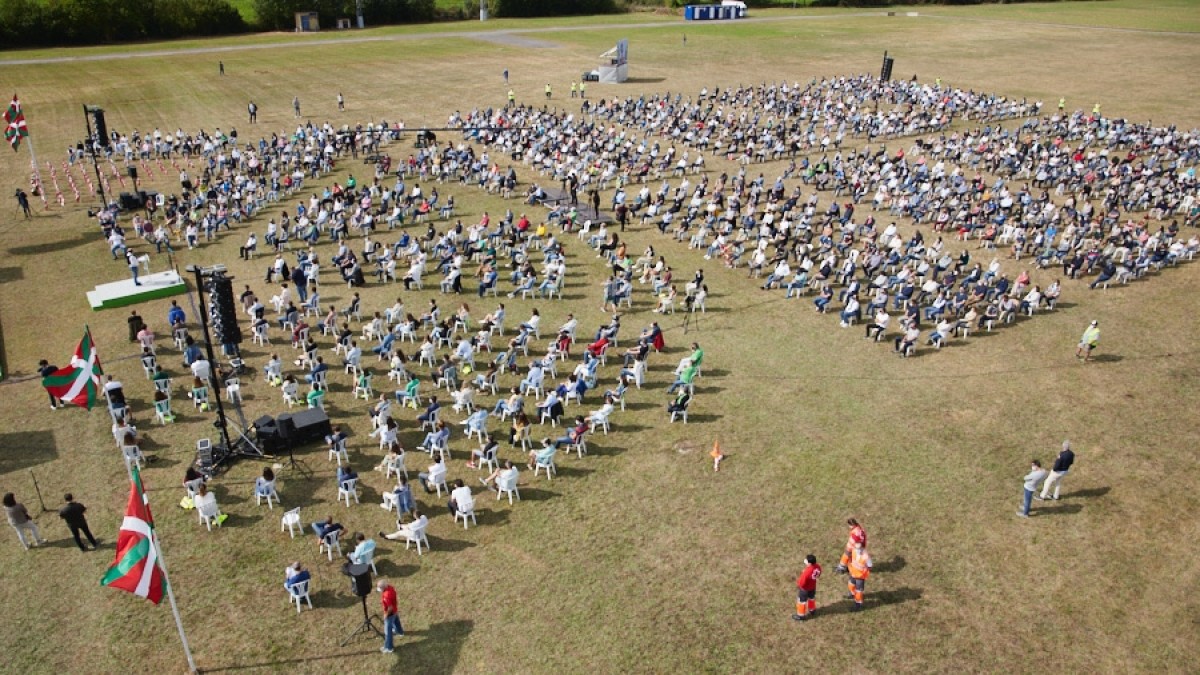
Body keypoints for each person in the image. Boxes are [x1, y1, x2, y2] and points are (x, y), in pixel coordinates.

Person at [378, 579, 404, 653]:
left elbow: (390, 608)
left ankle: (389, 647)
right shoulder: (391, 588)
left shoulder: (386, 595)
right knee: (396, 620)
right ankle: (400, 632)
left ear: (383, 588)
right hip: (395, 611)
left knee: (387, 631)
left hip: (390, 613)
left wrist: (386, 615)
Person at [793, 554, 822, 621]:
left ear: (810, 563)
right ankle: (812, 610)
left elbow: (802, 582)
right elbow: (819, 573)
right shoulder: (817, 567)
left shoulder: (807, 572)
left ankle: (800, 616)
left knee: (801, 601)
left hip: (805, 589)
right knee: (811, 598)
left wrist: (799, 585)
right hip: (812, 587)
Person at [845, 542, 872, 612]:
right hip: (853, 572)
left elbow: (869, 566)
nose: (857, 550)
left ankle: (858, 603)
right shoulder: (854, 551)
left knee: (859, 591)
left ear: (862, 548)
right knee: (850, 585)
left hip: (860, 576)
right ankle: (852, 593)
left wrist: (864, 573)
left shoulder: (866, 556)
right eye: (856, 548)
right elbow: (850, 558)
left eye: (859, 548)